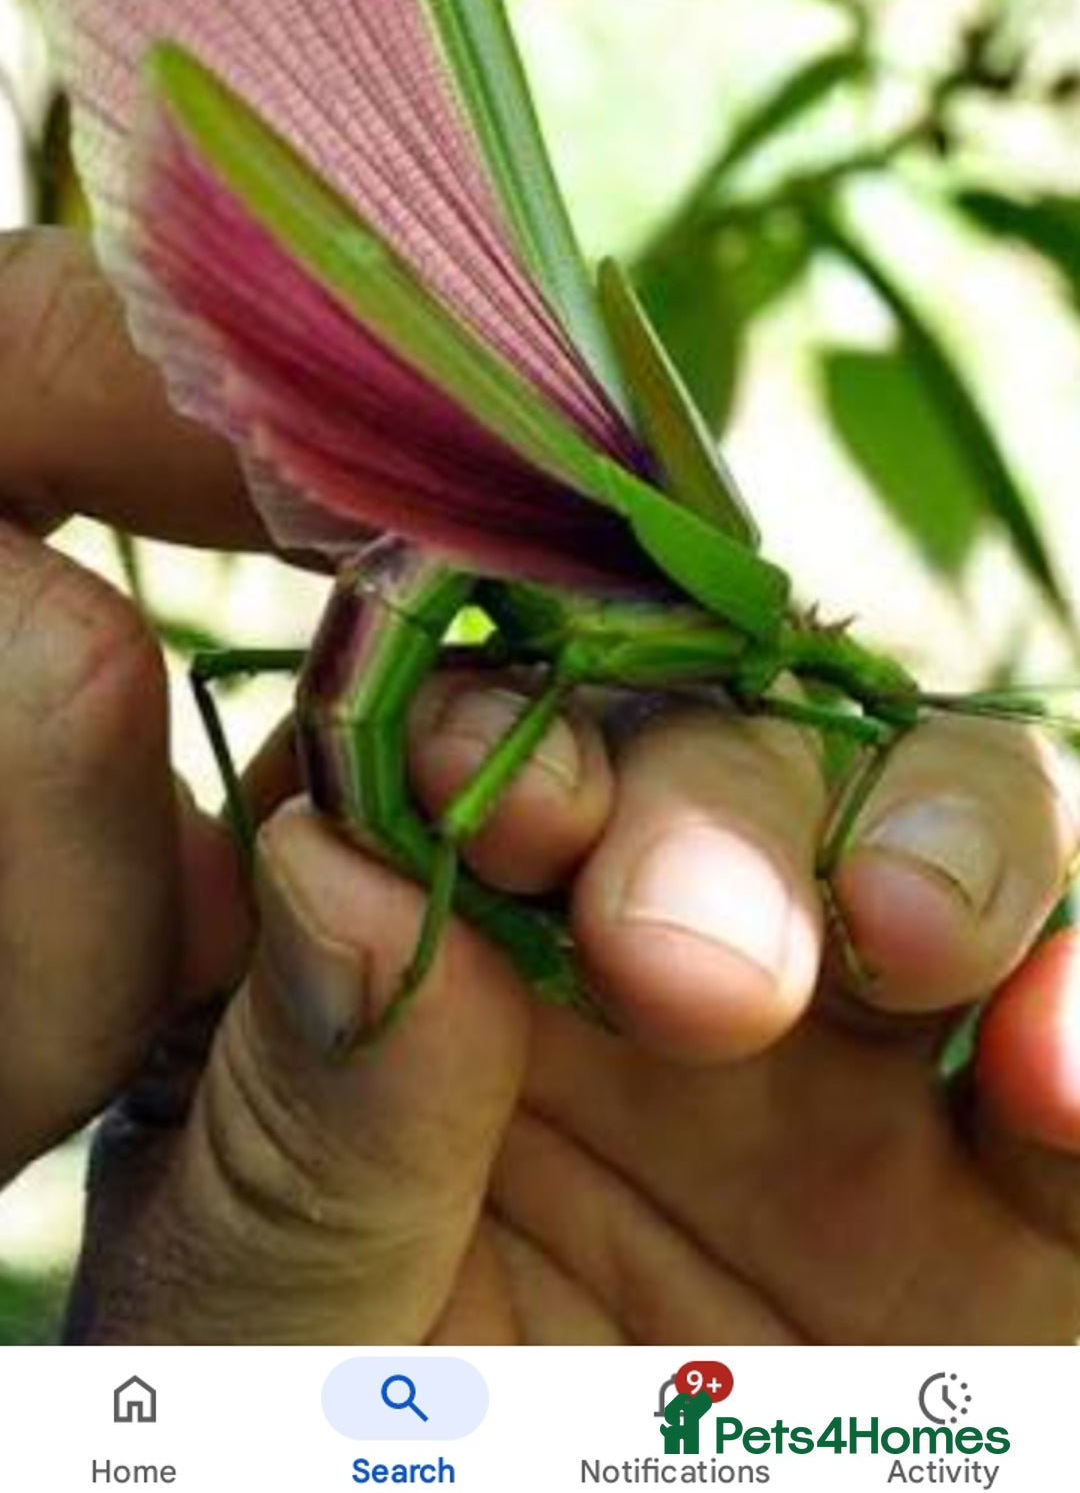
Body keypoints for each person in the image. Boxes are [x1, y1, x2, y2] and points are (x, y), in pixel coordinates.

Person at [3, 224, 1080, 1346]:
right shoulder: (749, 634)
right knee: (518, 786)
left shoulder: (744, 655)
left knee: (567, 780)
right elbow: (603, 676)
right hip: (444, 614)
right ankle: (304, 934)